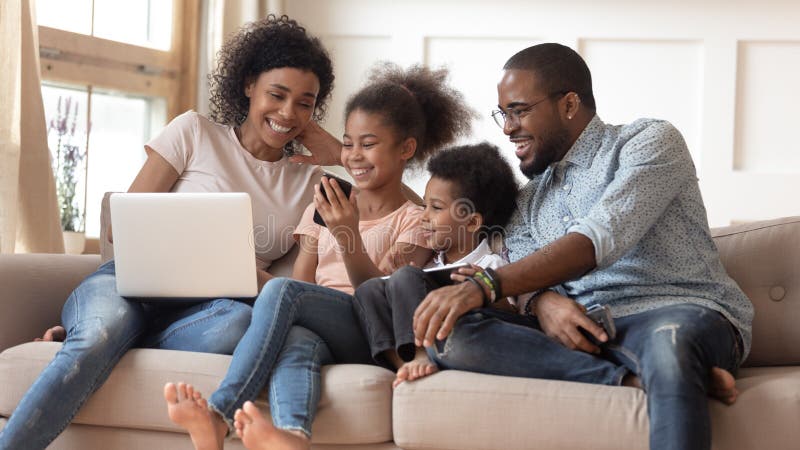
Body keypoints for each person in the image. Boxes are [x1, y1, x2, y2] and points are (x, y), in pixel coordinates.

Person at [0, 15, 340, 450]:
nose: (288, 113)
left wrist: (344, 156)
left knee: (240, 322)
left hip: (213, 312)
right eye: (277, 94)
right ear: (249, 85)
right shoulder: (194, 132)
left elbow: (418, 213)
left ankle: (118, 335)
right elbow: (128, 221)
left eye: (305, 103)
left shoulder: (308, 183)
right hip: (127, 286)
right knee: (98, 336)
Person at [412, 43, 753, 450]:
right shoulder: (529, 199)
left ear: (569, 104)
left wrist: (485, 284)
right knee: (448, 334)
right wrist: (542, 302)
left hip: (674, 310)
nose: (507, 128)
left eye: (519, 111)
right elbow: (524, 268)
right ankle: (636, 376)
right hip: (583, 327)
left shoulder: (648, 142)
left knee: (668, 342)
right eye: (504, 114)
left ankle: (670, 367)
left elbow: (598, 238)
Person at [163, 63, 474, 450]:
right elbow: (304, 282)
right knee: (297, 338)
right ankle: (293, 436)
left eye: (369, 144)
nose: (354, 157)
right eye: (348, 144)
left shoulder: (415, 221)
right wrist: (232, 263)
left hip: (375, 333)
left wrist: (347, 235)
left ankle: (219, 413)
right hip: (329, 326)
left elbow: (381, 295)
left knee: (283, 294)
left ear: (405, 149)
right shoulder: (327, 201)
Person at [352, 142, 519, 387]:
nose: (424, 216)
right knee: (370, 288)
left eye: (436, 208)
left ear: (471, 222)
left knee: (407, 276)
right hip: (424, 331)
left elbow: (512, 315)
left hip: (462, 336)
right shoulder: (429, 264)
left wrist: (486, 289)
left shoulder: (491, 264)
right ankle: (404, 363)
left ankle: (419, 355)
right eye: (425, 205)